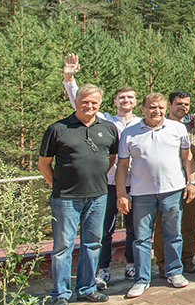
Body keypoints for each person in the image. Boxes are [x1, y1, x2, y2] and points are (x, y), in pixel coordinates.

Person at [60, 53, 140, 288]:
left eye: (130, 97)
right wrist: (69, 78)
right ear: (114, 102)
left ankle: (131, 264)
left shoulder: (142, 123)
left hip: (136, 184)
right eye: (121, 97)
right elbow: (80, 100)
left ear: (135, 102)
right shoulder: (104, 120)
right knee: (103, 229)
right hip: (106, 183)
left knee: (134, 229)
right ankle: (102, 269)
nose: (125, 100)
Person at [38, 82, 119, 305]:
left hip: (98, 196)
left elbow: (110, 159)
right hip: (65, 198)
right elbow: (43, 164)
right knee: (63, 246)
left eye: (94, 102)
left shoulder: (109, 129)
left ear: (100, 104)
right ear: (75, 102)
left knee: (92, 244)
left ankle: (86, 288)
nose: (89, 106)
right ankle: (61, 294)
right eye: (85, 102)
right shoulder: (58, 128)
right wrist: (59, 186)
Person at [116, 93, 195, 299]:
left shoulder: (177, 128)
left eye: (160, 107)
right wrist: (121, 193)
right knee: (142, 238)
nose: (157, 111)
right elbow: (122, 166)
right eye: (152, 107)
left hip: (173, 190)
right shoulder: (129, 133)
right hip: (141, 193)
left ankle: (174, 272)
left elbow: (187, 157)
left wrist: (191, 182)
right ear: (142, 109)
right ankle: (141, 280)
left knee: (173, 234)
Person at [153, 77, 195, 277]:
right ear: (169, 105)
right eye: (179, 104)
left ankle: (186, 259)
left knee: (189, 224)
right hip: (165, 182)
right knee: (163, 225)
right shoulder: (159, 124)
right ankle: (162, 263)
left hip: (191, 179)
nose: (183, 108)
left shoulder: (191, 123)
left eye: (186, 104)